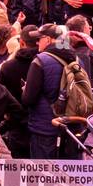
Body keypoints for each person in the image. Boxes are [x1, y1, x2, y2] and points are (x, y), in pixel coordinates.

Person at [21, 25, 77, 159]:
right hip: (70, 126)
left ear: (48, 39)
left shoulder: (40, 61)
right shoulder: (75, 58)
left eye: (39, 39)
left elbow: (28, 99)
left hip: (44, 127)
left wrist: (25, 90)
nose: (36, 43)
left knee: (43, 175)